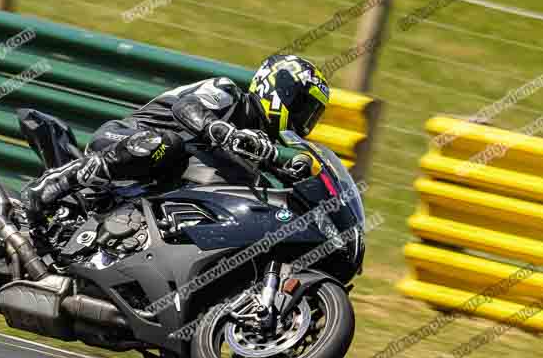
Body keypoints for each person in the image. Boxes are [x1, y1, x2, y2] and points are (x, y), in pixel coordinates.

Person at [20, 54, 331, 231]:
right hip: (126, 138)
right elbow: (186, 109)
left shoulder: (257, 144)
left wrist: (293, 170)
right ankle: (61, 180)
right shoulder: (227, 93)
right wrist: (221, 130)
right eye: (302, 106)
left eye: (311, 116)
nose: (304, 119)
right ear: (279, 88)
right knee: (166, 142)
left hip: (155, 182)